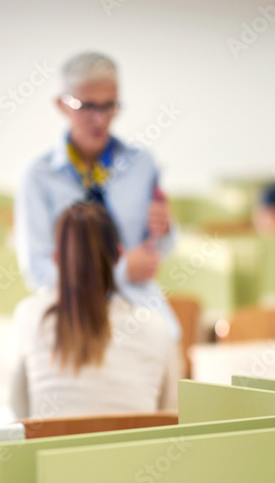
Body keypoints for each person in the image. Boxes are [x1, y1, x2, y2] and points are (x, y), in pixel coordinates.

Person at [15, 51, 179, 338]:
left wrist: (164, 231)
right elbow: (39, 271)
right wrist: (120, 271)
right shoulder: (38, 176)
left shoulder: (142, 164)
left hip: (138, 308)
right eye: (87, 106)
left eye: (109, 106)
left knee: (168, 341)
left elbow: (158, 251)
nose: (100, 119)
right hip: (73, 315)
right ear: (62, 105)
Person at [11, 202, 178, 418]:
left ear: (56, 259)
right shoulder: (157, 327)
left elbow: (20, 412)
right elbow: (170, 415)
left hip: (52, 442)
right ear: (119, 255)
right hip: (134, 442)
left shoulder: (30, 317)